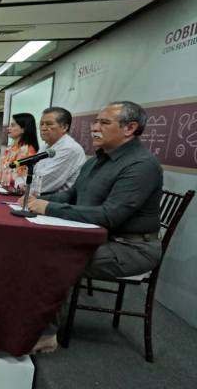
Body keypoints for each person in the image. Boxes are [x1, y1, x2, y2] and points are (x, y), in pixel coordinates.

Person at [25, 101, 163, 353]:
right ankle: (25, 319)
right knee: (35, 245)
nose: (94, 128)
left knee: (54, 258)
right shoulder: (97, 160)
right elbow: (71, 197)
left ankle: (45, 334)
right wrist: (33, 202)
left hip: (131, 248)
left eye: (104, 123)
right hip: (97, 237)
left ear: (129, 128)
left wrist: (48, 208)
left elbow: (110, 216)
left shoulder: (141, 165)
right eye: (95, 122)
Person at [33, 107, 87, 195]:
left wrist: (23, 183)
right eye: (41, 124)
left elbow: (42, 185)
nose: (43, 128)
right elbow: (33, 172)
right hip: (40, 199)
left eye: (49, 124)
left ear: (64, 127)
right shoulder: (45, 146)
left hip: (57, 203)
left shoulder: (69, 148)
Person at [0, 113, 39, 189]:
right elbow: (4, 170)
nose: (8, 128)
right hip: (4, 187)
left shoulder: (26, 150)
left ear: (24, 129)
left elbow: (17, 177)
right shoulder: (11, 148)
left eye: (12, 125)